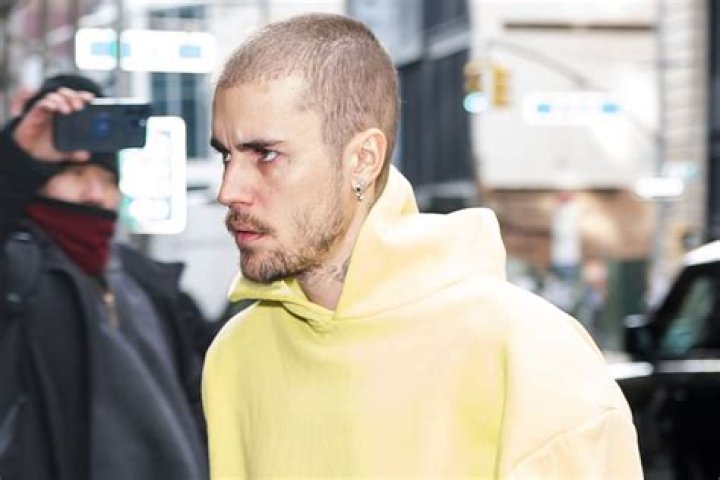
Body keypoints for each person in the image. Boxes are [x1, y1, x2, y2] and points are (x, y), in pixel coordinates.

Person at [202, 13, 643, 478]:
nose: (229, 190)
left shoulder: (530, 352)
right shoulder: (236, 356)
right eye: (226, 155)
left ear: (363, 160)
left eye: (266, 155)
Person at [0, 74, 212, 480]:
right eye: (76, 176)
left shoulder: (145, 280)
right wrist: (16, 158)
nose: (95, 195)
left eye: (108, 180)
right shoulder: (16, 272)